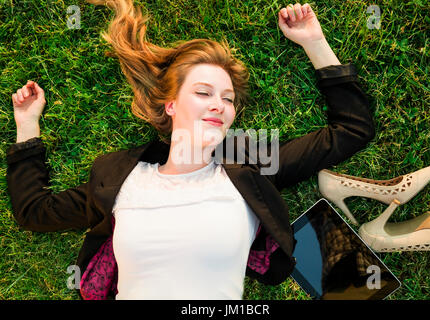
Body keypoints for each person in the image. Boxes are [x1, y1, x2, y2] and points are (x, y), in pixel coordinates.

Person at [7, 1, 375, 300]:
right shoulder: (121, 178)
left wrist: (313, 41)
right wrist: (27, 125)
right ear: (170, 105)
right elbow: (34, 212)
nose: (219, 104)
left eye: (227, 99)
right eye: (203, 93)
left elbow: (351, 130)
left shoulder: (250, 165)